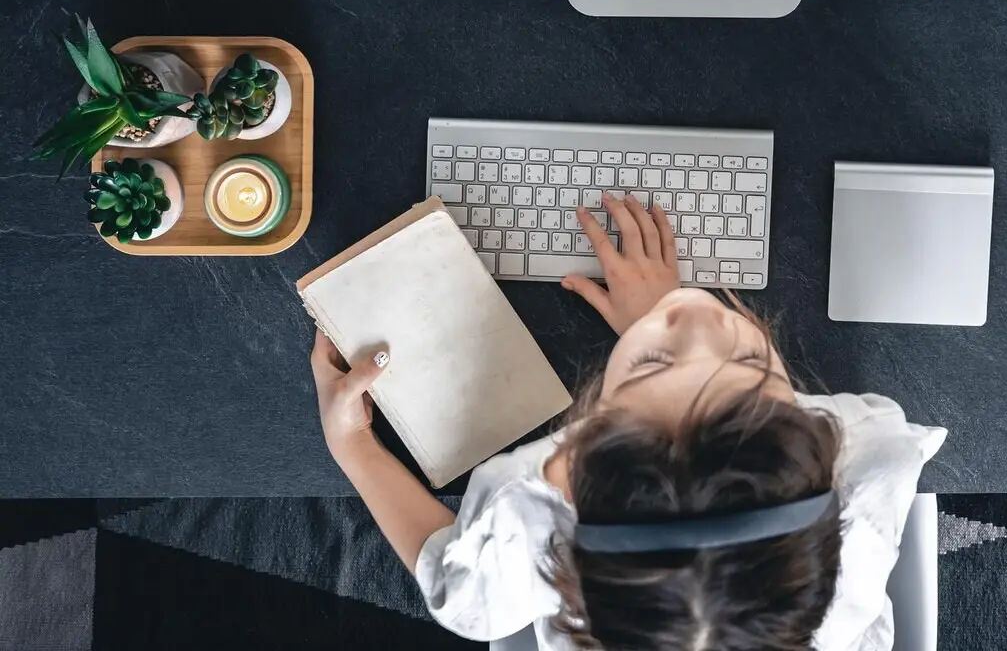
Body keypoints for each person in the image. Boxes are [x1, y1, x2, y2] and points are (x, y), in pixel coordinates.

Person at [311, 193, 947, 651]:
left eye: (652, 364)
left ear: (567, 461)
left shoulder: (523, 529)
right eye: (751, 361)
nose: (694, 312)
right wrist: (656, 360)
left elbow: (463, 597)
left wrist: (352, 443)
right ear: (817, 447)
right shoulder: (869, 458)